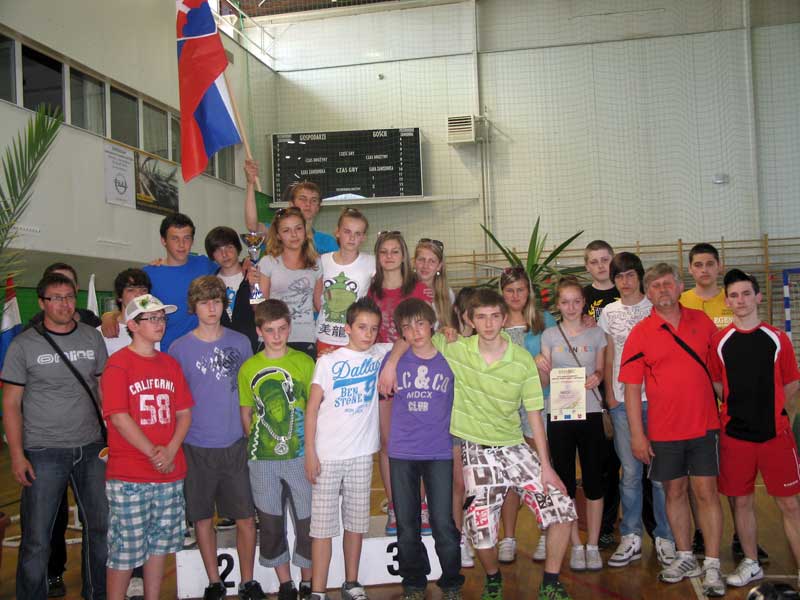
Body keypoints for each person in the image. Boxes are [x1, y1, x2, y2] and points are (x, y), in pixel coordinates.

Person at [382, 288, 577, 600]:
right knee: (481, 533)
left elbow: (534, 414)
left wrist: (546, 466)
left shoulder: (521, 360)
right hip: (477, 453)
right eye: (481, 317)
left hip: (514, 447)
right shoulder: (455, 348)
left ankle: (551, 583)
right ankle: (493, 577)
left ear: (504, 319)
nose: (488, 324)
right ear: (469, 320)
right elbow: (412, 333)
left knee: (563, 509)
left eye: (495, 316)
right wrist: (392, 362)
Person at [619, 263, 725, 597]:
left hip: (704, 425)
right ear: (647, 294)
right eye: (655, 286)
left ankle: (712, 563)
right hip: (664, 431)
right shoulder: (641, 333)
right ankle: (684, 556)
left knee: (707, 493)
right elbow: (631, 389)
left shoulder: (703, 323)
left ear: (680, 287)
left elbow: (720, 371)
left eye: (668, 284)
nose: (662, 290)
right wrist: (637, 434)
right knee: (674, 492)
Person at [2, 272, 109, 600]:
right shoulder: (23, 345)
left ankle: (97, 593)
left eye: (69, 297)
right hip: (43, 451)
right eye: (56, 298)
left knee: (100, 529)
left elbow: (103, 390)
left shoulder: (92, 338)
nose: (65, 304)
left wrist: (112, 439)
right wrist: (17, 455)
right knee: (37, 538)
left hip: (92, 449)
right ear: (42, 303)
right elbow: (10, 404)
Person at [168, 277, 263, 600]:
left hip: (236, 444)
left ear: (224, 304)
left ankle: (248, 581)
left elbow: (250, 395)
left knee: (246, 517)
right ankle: (214, 581)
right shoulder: (179, 348)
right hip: (196, 446)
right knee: (202, 518)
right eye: (204, 302)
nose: (212, 308)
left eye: (217, 301)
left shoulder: (241, 342)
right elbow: (177, 403)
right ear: (193, 306)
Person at [708, 269, 800, 588]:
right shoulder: (719, 341)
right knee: (741, 501)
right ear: (727, 301)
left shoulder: (778, 338)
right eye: (734, 295)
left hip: (775, 435)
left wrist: (769, 409)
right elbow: (717, 383)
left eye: (746, 293)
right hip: (735, 436)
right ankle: (751, 562)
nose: (741, 300)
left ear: (758, 296)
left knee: (790, 504)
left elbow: (791, 382)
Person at [100, 293, 193, 600]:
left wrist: (171, 449)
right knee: (125, 550)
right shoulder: (118, 364)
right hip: (130, 474)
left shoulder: (170, 364)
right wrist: (154, 452)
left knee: (160, 546)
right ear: (132, 325)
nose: (159, 323)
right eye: (151, 318)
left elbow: (184, 412)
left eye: (162, 318)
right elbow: (118, 416)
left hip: (169, 470)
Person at [304, 298, 392, 600]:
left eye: (373, 329)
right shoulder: (327, 362)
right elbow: (311, 409)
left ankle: (351, 582)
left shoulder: (379, 354)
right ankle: (317, 590)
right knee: (322, 528)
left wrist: (392, 362)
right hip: (326, 456)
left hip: (361, 456)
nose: (368, 334)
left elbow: (404, 343)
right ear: (348, 329)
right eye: (362, 327)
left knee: (356, 525)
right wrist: (310, 452)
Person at [679, 243, 760, 561]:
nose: (704, 270)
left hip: (732, 403)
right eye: (698, 265)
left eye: (710, 264)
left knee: (735, 476)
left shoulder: (733, 299)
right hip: (694, 403)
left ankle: (742, 536)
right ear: (690, 269)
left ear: (719, 266)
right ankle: (700, 533)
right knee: (695, 478)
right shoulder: (681, 301)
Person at [598, 253, 675, 569]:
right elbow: (608, 355)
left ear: (640, 276)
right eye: (619, 276)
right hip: (621, 402)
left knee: (659, 476)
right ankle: (630, 535)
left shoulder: (654, 307)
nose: (625, 281)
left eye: (630, 275)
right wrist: (609, 396)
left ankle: (665, 536)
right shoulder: (609, 312)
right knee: (629, 474)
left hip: (655, 402)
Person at [386, 298, 464, 600]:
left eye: (420, 323)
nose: (415, 331)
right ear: (401, 332)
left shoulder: (450, 355)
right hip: (403, 452)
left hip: (439, 451)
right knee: (407, 524)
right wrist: (391, 361)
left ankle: (452, 582)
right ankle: (414, 583)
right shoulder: (394, 360)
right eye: (407, 327)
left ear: (432, 323)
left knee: (443, 522)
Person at [239, 299, 316, 600]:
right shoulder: (249, 368)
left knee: (307, 523)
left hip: (299, 457)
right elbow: (246, 412)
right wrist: (259, 447)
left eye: (282, 329)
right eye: (270, 330)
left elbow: (313, 410)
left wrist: (311, 450)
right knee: (271, 525)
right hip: (263, 461)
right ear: (259, 331)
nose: (276, 336)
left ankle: (307, 581)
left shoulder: (304, 363)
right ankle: (286, 583)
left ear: (290, 327)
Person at [539, 276, 607, 571]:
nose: (571, 307)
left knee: (593, 480)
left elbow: (602, 370)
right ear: (558, 304)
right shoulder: (550, 336)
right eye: (565, 302)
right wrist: (541, 367)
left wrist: (598, 377)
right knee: (564, 482)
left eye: (576, 301)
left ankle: (592, 544)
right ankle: (576, 545)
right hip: (560, 415)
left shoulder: (597, 333)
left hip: (590, 412)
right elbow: (544, 382)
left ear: (584, 303)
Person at [368, 231, 431, 536]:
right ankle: (395, 508)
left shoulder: (417, 288)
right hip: (382, 370)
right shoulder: (372, 290)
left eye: (395, 251)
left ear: (404, 255)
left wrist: (392, 362)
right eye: (384, 252)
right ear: (378, 257)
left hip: (411, 367)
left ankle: (420, 507)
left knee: (416, 439)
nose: (390, 257)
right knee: (387, 441)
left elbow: (416, 332)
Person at [98, 268, 154, 600]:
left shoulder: (153, 329)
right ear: (120, 296)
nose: (138, 296)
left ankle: (141, 575)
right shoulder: (103, 331)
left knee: (146, 513)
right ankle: (120, 577)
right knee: (118, 516)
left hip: (148, 435)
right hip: (113, 433)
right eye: (131, 291)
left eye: (143, 290)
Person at [496, 266, 555, 564]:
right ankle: (508, 537)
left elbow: (558, 357)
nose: (515, 295)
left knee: (542, 469)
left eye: (520, 289)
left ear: (528, 291)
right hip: (505, 407)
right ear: (502, 293)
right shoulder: (496, 321)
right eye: (509, 290)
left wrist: (542, 362)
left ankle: (545, 533)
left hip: (538, 403)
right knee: (508, 474)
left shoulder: (544, 321)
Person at [581, 240, 621, 551]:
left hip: (626, 385)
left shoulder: (626, 289)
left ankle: (643, 526)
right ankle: (606, 525)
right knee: (603, 463)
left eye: (605, 260)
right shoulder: (582, 298)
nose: (600, 266)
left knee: (631, 464)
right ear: (587, 266)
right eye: (594, 261)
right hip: (595, 390)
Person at [257, 207, 323, 359]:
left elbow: (320, 304)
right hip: (274, 337)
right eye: (286, 230)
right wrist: (253, 287)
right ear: (278, 235)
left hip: (305, 336)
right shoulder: (268, 262)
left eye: (298, 228)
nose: (294, 235)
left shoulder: (316, 263)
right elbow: (258, 307)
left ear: (305, 231)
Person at [244, 159, 338, 255]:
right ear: (291, 204)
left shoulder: (328, 242)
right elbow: (252, 226)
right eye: (302, 199)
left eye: (313, 200)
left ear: (318, 207)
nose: (308, 204)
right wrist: (250, 183)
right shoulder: (277, 233)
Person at [316, 207, 375, 356]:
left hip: (356, 339)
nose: (352, 238)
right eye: (347, 231)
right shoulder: (322, 261)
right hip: (326, 335)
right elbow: (316, 297)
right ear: (337, 232)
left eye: (358, 233)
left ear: (363, 237)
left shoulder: (371, 262)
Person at [205, 225, 260, 353]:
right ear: (212, 255)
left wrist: (254, 287)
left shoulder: (253, 273)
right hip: (222, 351)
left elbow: (261, 311)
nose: (224, 254)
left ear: (238, 248)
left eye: (229, 247)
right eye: (218, 250)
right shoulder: (210, 284)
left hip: (253, 347)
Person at [413, 238, 454, 329]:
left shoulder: (448, 293)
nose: (425, 265)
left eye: (432, 261)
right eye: (421, 259)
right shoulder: (405, 290)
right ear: (414, 262)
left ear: (439, 266)